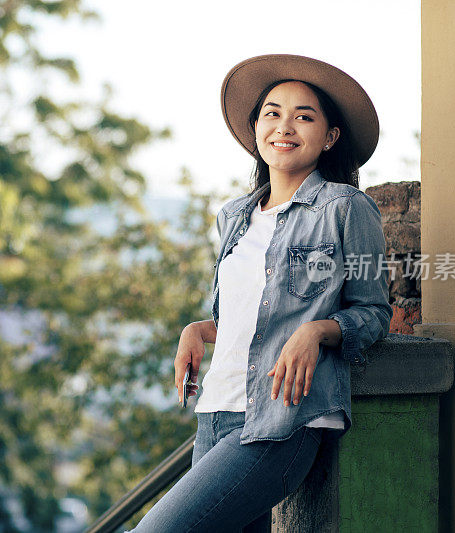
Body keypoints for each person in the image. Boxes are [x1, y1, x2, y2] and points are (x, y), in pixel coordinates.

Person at [130, 54, 393, 531]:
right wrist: (199, 329)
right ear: (255, 129)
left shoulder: (346, 208)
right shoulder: (235, 215)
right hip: (215, 413)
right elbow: (254, 313)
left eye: (304, 116)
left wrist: (317, 330)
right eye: (272, 113)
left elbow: (374, 312)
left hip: (281, 422)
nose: (284, 126)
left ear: (330, 136)